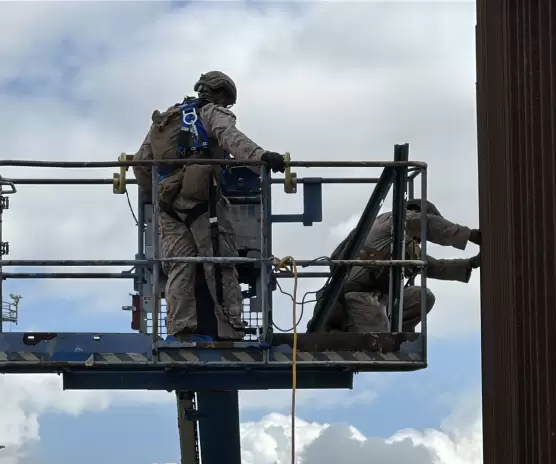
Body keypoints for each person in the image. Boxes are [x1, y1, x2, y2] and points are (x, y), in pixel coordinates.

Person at [132, 71, 286, 341]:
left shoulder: (166, 119)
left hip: (168, 208)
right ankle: (232, 329)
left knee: (180, 266)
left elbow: (140, 163)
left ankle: (180, 332)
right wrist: (261, 157)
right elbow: (230, 137)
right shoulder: (212, 112)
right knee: (221, 264)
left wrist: (159, 193)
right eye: (227, 100)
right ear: (221, 94)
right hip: (203, 204)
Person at [312, 200, 481, 333]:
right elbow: (428, 223)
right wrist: (471, 235)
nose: (420, 241)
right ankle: (343, 330)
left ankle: (394, 333)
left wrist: (471, 264)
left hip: (377, 298)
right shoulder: (392, 220)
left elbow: (429, 265)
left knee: (422, 296)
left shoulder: (400, 241)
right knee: (377, 338)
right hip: (353, 298)